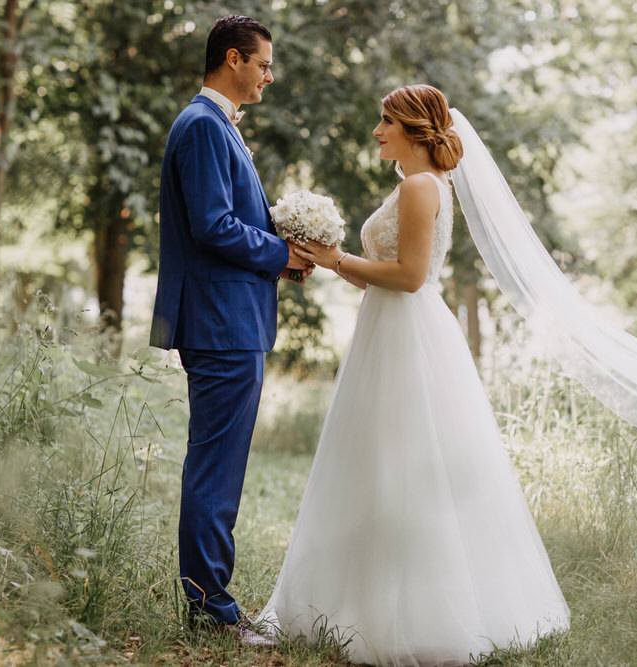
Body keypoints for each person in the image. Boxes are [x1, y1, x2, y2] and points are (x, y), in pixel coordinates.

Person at [258, 84, 570, 665]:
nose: (376, 131)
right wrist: (324, 260)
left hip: (409, 334)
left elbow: (410, 275)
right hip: (388, 327)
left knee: (406, 464)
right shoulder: (418, 186)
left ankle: (417, 612)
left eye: (385, 121)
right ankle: (356, 599)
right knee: (377, 463)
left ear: (412, 128)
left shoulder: (422, 186)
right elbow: (381, 275)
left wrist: (334, 258)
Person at [149, 15, 311, 646]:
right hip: (220, 322)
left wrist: (287, 243)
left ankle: (211, 600)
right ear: (234, 60)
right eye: (264, 64)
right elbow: (214, 226)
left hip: (232, 317)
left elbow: (231, 219)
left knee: (221, 463)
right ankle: (212, 609)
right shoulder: (202, 126)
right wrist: (282, 255)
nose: (269, 76)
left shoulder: (218, 126)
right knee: (215, 466)